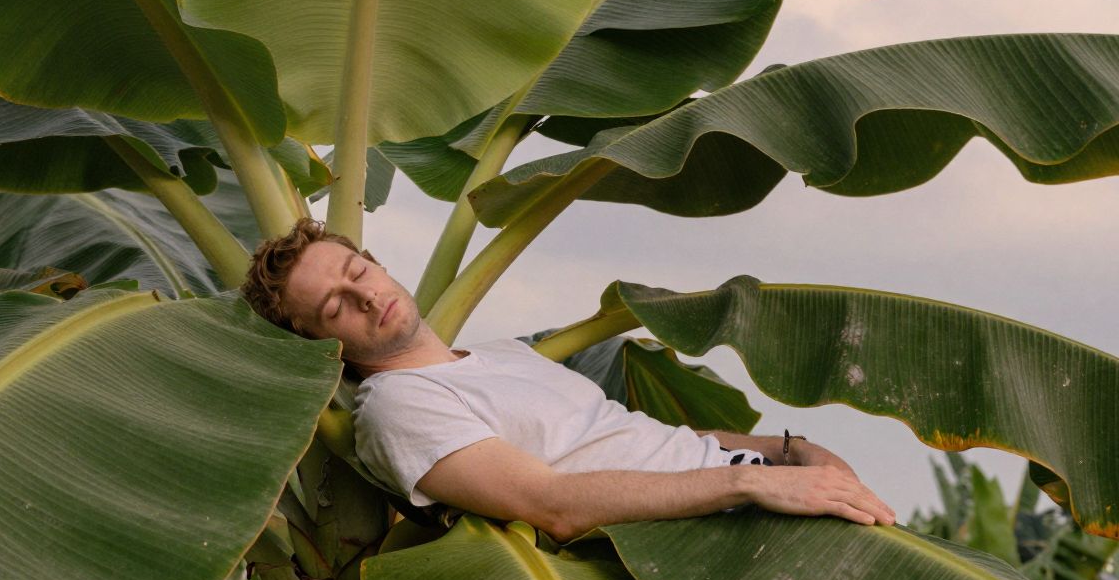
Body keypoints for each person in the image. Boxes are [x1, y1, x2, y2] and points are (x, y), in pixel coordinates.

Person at [240, 216, 898, 542]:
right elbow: (552, 503)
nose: (361, 299)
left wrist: (788, 451)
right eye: (332, 309)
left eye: (357, 275)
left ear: (375, 265)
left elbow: (632, 439)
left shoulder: (502, 355)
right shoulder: (399, 408)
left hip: (748, 491)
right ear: (319, 345)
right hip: (710, 532)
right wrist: (751, 482)